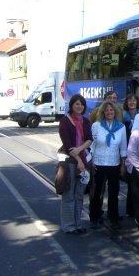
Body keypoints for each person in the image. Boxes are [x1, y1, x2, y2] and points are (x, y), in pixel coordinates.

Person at [89, 101, 127, 229]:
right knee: (97, 192)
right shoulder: (96, 125)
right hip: (98, 163)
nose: (109, 112)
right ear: (103, 112)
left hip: (114, 163)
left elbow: (123, 147)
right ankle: (94, 217)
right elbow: (92, 145)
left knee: (113, 192)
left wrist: (123, 164)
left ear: (115, 112)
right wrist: (92, 161)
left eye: (111, 110)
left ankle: (113, 217)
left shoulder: (121, 127)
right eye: (106, 110)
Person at [58, 94, 93, 234]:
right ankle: (69, 226)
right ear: (71, 105)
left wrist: (80, 150)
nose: (79, 106)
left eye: (82, 104)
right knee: (69, 195)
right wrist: (79, 161)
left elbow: (89, 139)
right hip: (70, 161)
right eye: (77, 104)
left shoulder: (85, 121)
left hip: (84, 159)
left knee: (79, 195)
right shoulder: (65, 122)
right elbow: (67, 145)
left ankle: (78, 224)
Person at [122, 93, 139, 218]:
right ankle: (130, 210)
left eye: (134, 100)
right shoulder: (123, 117)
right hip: (128, 150)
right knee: (131, 182)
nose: (132, 102)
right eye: (129, 100)